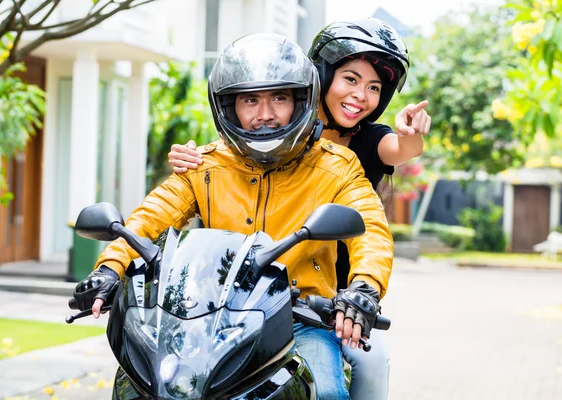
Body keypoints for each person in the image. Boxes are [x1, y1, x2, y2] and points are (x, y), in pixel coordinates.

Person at [73, 32, 394, 399]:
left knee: (325, 390)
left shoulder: (337, 166)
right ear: (229, 106)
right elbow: (151, 216)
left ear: (302, 100)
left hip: (298, 320)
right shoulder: (204, 164)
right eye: (249, 100)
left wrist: (364, 288)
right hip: (205, 321)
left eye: (279, 97)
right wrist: (108, 268)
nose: (265, 114)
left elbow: (370, 228)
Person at [167, 18, 431, 400]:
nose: (360, 94)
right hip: (241, 292)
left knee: (368, 362)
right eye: (350, 80)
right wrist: (195, 159)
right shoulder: (269, 127)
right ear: (319, 77)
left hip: (333, 294)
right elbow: (223, 163)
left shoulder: (363, 143)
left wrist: (412, 136)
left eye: (374, 87)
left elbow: (400, 152)